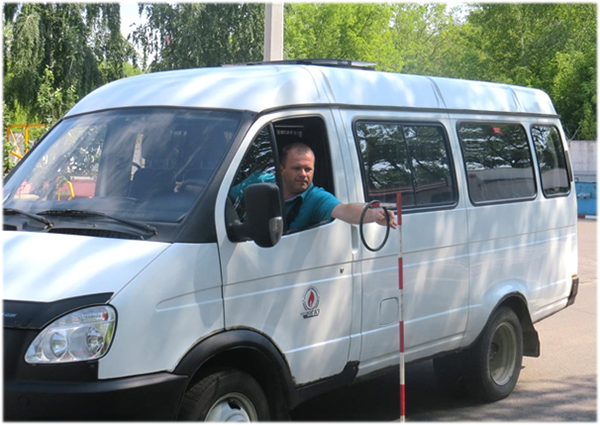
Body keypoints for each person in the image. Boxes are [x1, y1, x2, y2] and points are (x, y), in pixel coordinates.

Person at [235, 142, 396, 231]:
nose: (303, 174)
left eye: (308, 169)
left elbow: (344, 210)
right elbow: (226, 201)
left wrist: (374, 215)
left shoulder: (316, 198)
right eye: (296, 168)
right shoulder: (260, 180)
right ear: (281, 169)